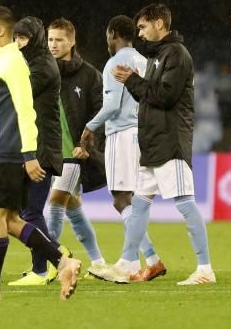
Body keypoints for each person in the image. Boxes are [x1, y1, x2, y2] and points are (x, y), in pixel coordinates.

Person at [0, 7, 81, 301]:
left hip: (8, 153)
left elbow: (26, 111)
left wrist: (28, 155)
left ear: (1, 32)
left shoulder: (12, 64)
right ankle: (63, 262)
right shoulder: (4, 62)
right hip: (1, 149)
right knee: (10, 219)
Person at [110, 3, 215, 285]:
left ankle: (205, 269)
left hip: (171, 143)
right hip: (153, 143)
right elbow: (150, 96)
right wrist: (134, 83)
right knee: (140, 205)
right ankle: (126, 261)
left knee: (185, 204)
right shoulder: (159, 56)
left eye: (143, 26)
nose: (140, 33)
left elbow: (165, 96)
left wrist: (132, 80)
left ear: (159, 23)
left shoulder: (177, 54)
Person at [81, 15, 165, 283]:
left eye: (108, 35)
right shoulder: (143, 61)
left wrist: (89, 127)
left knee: (121, 197)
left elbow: (112, 106)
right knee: (132, 200)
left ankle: (131, 263)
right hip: (142, 134)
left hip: (122, 134)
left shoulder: (115, 63)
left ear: (112, 33)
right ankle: (150, 260)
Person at [45, 18, 109, 277]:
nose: (53, 45)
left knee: (56, 202)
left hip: (73, 153)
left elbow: (100, 115)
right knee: (73, 207)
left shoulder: (90, 75)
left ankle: (50, 264)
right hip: (50, 152)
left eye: (59, 39)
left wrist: (87, 147)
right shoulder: (43, 71)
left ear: (72, 41)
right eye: (49, 39)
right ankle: (99, 261)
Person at [8, 16, 63, 285]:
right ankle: (56, 256)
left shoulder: (42, 67)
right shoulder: (33, 62)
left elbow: (19, 96)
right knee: (25, 213)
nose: (18, 43)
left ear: (35, 38)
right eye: (15, 37)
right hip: (36, 146)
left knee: (30, 213)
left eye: (23, 38)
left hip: (41, 150)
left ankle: (45, 267)